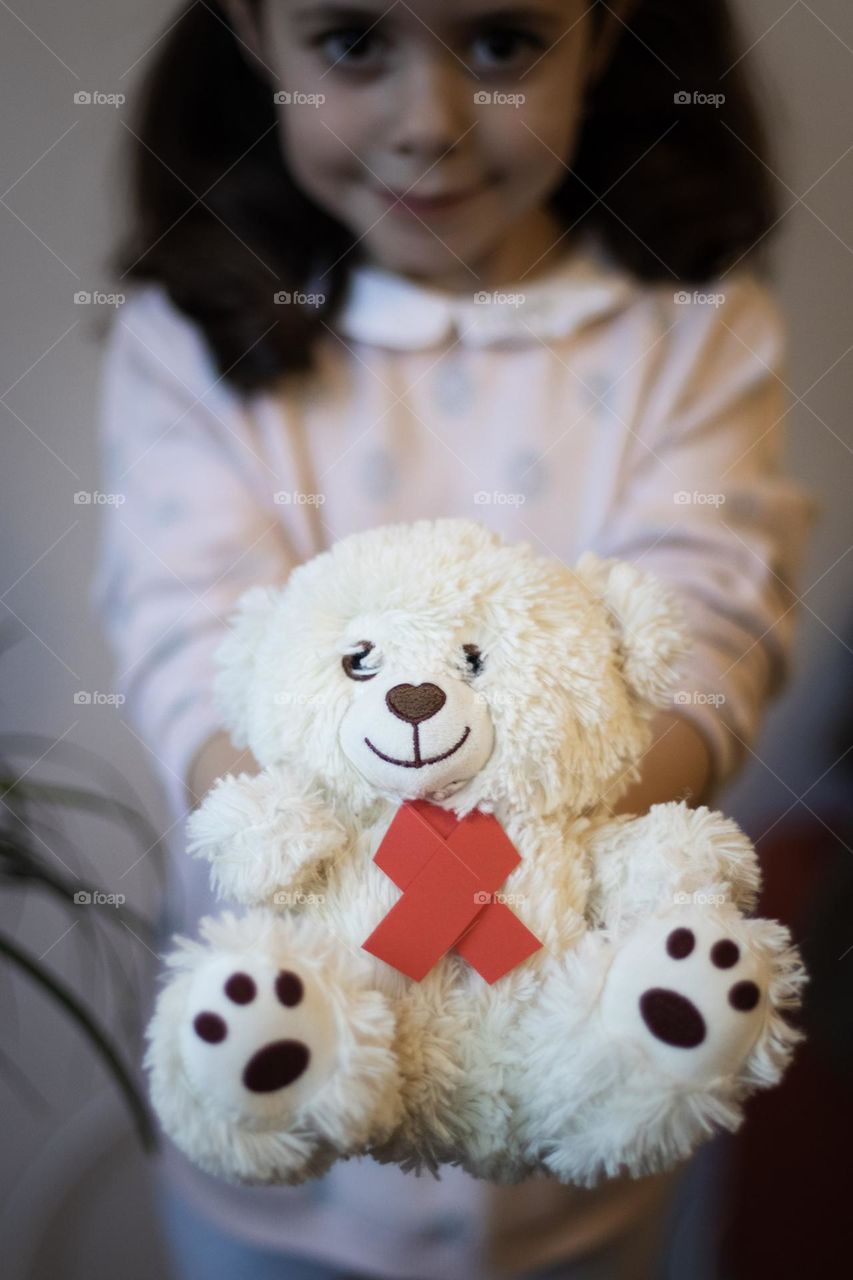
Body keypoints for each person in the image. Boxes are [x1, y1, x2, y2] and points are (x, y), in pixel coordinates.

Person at [90, 1, 817, 1276]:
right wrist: (383, 887)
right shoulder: (187, 341)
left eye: (499, 45)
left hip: (587, 1154)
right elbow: (187, 646)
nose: (429, 123)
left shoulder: (691, 326)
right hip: (278, 1163)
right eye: (355, 43)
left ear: (603, 33)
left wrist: (476, 885)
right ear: (255, 34)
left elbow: (706, 628)